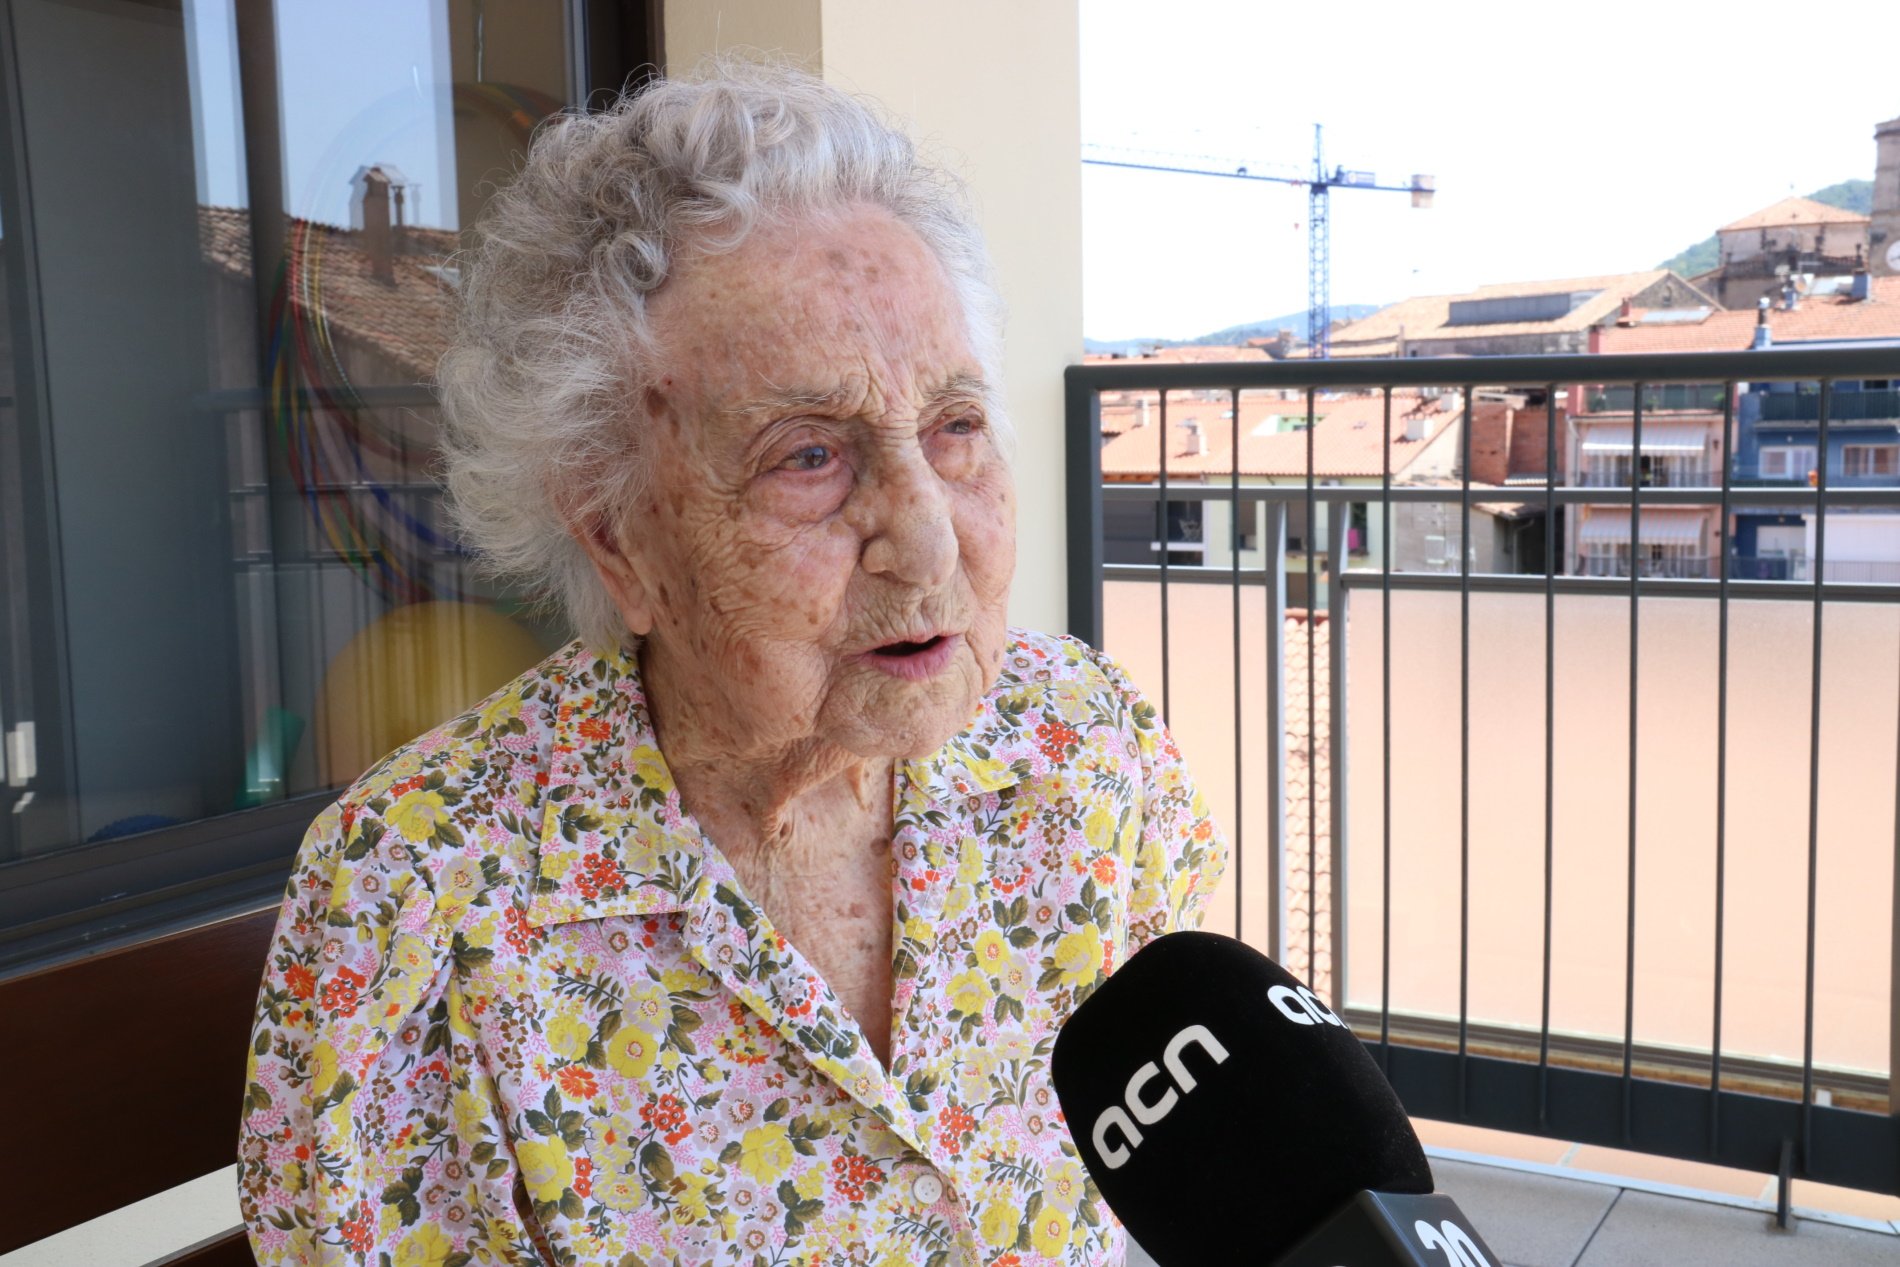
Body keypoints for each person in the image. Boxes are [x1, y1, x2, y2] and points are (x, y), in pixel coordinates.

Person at [240, 61, 1226, 1267]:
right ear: (617, 538)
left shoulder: (1085, 747)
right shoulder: (419, 904)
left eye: (954, 427)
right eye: (809, 456)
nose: (927, 540)